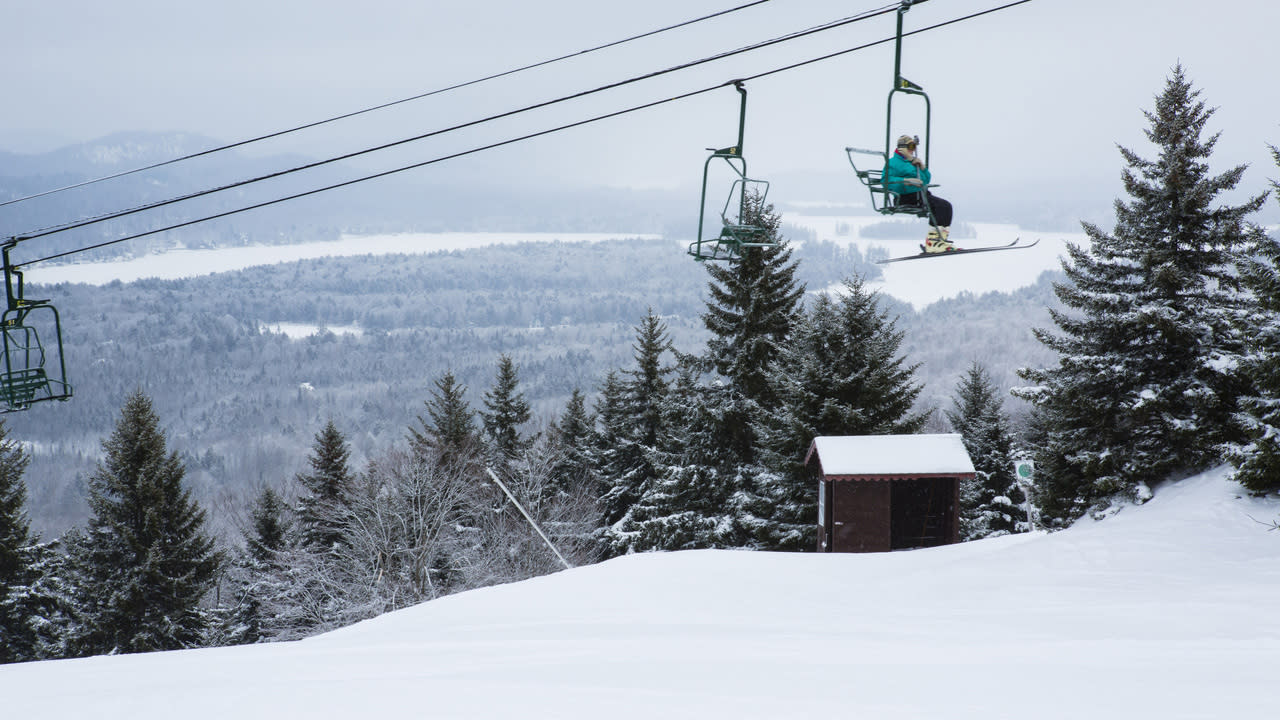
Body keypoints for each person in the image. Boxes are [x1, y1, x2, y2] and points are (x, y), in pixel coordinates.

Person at [884, 134, 955, 253]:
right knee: (938, 206)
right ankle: (933, 242)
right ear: (902, 148)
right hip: (905, 197)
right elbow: (886, 181)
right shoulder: (893, 163)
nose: (913, 150)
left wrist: (922, 167)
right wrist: (905, 181)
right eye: (910, 146)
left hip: (920, 195)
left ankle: (939, 241)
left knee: (946, 206)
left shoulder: (912, 162)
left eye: (914, 147)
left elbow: (926, 180)